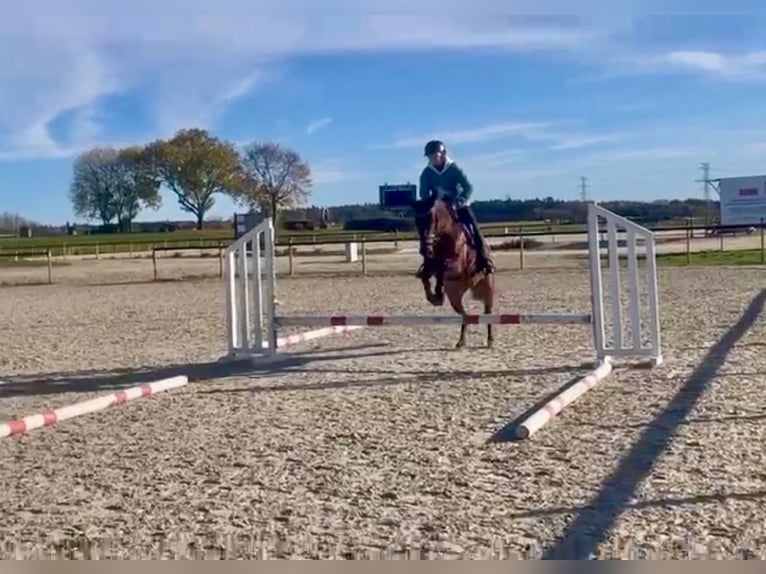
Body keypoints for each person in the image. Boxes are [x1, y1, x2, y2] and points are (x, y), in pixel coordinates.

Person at [416, 139, 494, 276]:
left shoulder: (453, 168)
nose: (433, 158)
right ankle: (427, 264)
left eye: (435, 155)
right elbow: (423, 192)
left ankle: (485, 259)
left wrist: (460, 201)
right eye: (430, 156)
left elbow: (468, 187)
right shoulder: (426, 173)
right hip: (439, 208)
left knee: (474, 228)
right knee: (427, 231)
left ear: (443, 154)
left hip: (458, 205)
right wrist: (431, 203)